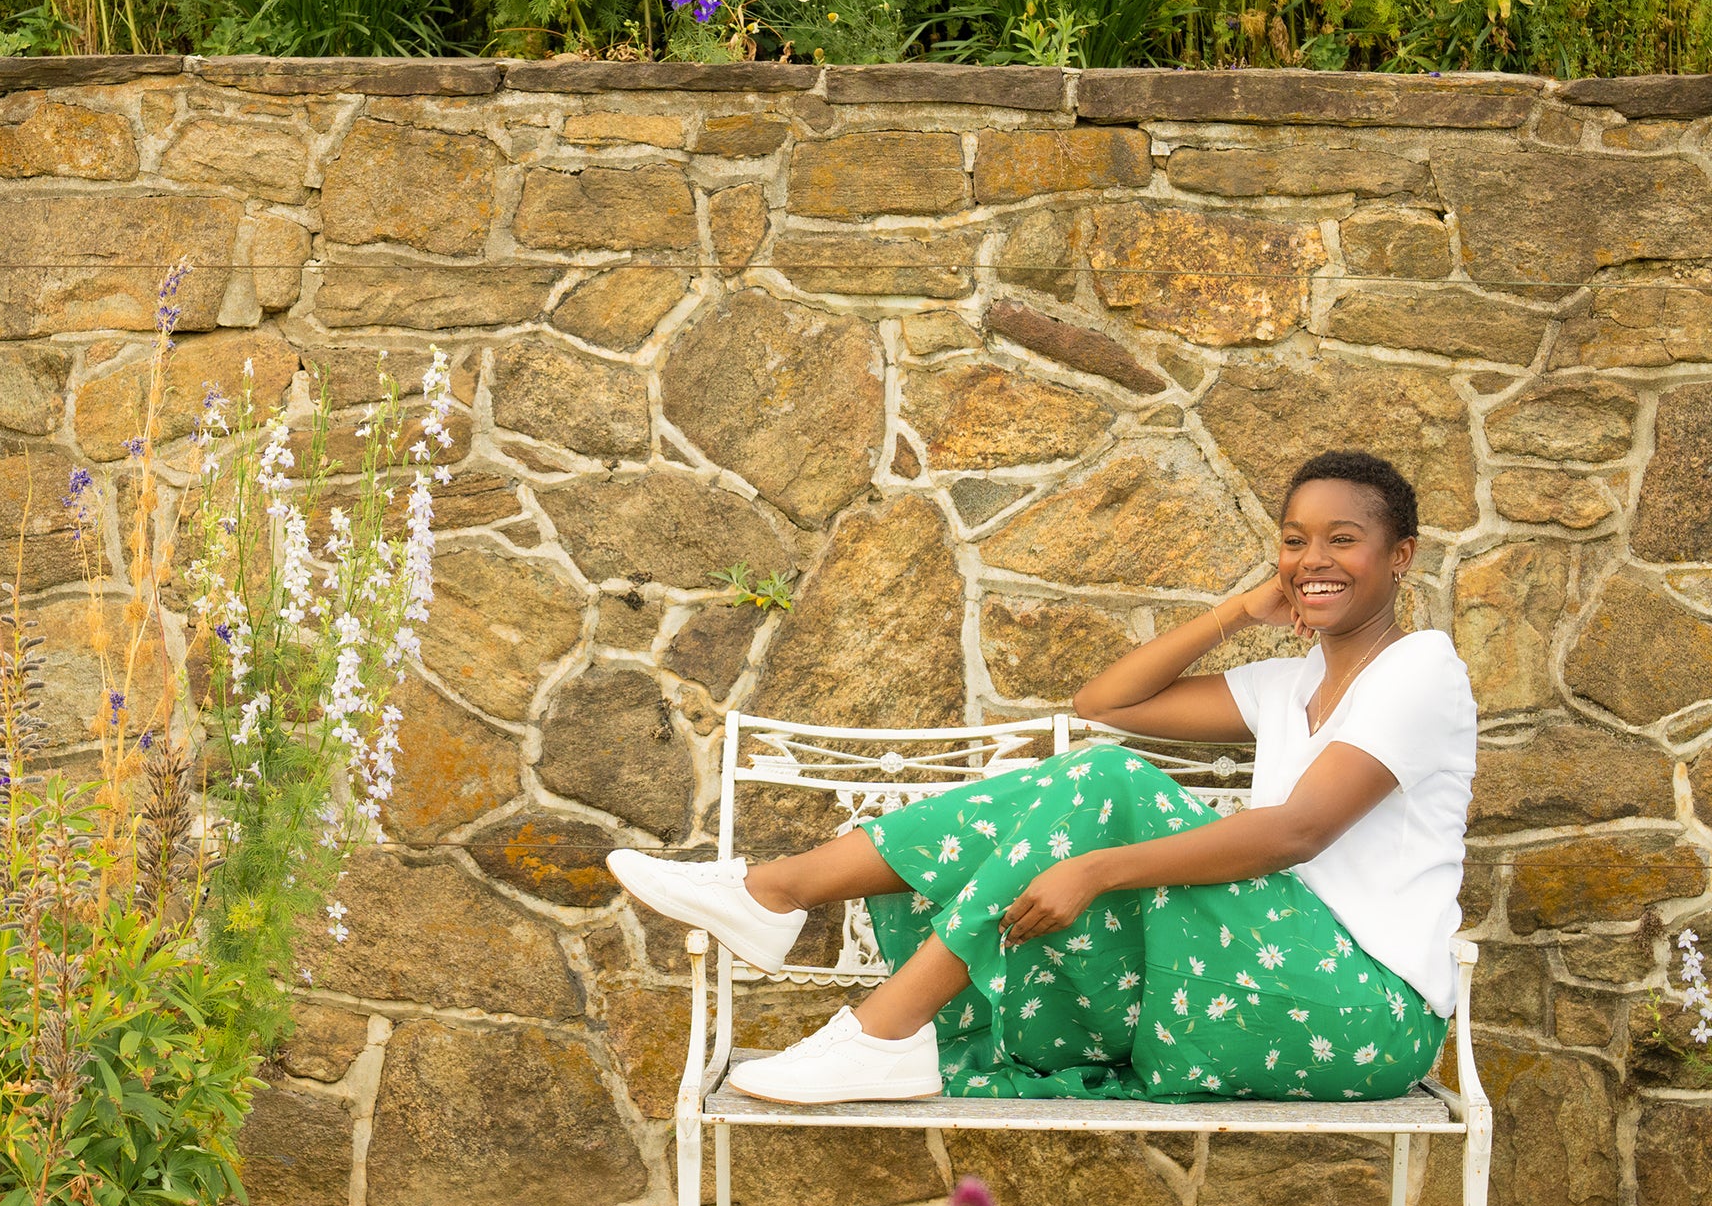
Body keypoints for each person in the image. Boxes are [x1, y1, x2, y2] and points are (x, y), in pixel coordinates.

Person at [608, 450, 1477, 1106]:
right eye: (1294, 541)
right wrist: (1240, 609)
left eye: (1342, 541)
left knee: (1102, 786)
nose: (1311, 558)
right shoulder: (1290, 686)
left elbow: (1298, 832)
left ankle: (846, 983)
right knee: (1081, 779)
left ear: (1400, 557)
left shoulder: (1420, 669)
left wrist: (1096, 869)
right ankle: (777, 900)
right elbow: (1110, 701)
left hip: (1363, 1009)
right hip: (1261, 972)